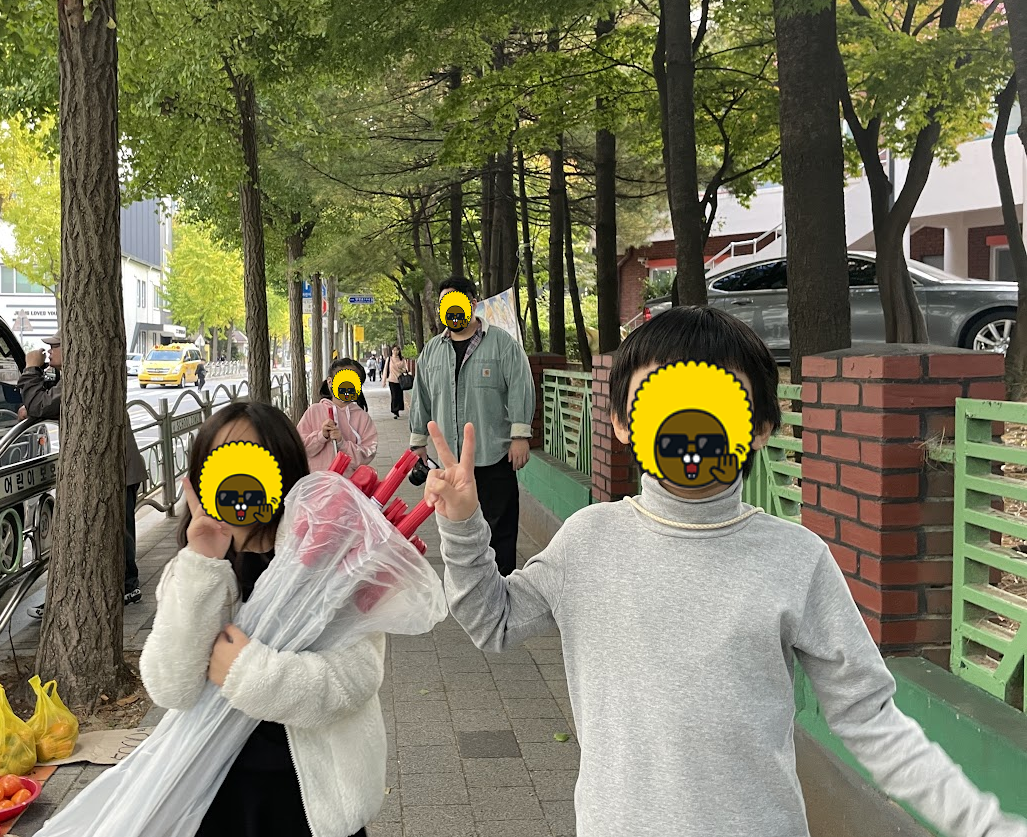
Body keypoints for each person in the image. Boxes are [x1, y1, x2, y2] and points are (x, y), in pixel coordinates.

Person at [425, 305, 1027, 837]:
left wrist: (982, 823)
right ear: (623, 423)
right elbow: (491, 622)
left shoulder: (796, 558)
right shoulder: (589, 540)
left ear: (759, 427)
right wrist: (462, 526)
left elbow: (868, 716)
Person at [139, 402, 385, 837]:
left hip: (311, 797)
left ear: (284, 472)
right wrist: (202, 561)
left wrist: (248, 672)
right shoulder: (193, 570)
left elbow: (357, 676)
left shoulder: (332, 564)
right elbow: (170, 687)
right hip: (213, 789)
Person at [408, 277, 534, 576]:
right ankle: (467, 584)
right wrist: (418, 442)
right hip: (450, 463)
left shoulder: (502, 344)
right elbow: (421, 396)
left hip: (493, 456)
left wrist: (520, 436)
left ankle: (503, 587)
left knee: (499, 530)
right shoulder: (432, 351)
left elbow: (521, 386)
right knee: (456, 529)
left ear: (473, 303)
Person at [18, 333, 149, 614]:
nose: (48, 351)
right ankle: (123, 585)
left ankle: (127, 585)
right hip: (116, 466)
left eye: (55, 346)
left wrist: (31, 368)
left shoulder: (80, 377)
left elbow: (41, 404)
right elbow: (48, 404)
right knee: (115, 529)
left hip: (114, 468)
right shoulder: (80, 375)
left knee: (116, 530)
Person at [296, 358, 378, 472]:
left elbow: (367, 455)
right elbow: (298, 449)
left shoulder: (362, 418)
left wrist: (342, 444)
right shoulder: (314, 411)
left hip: (348, 481)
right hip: (317, 480)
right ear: (330, 382)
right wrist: (321, 436)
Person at [385, 345, 408, 420]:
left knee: (399, 396)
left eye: (397, 350)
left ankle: (398, 409)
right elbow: (385, 370)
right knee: (394, 396)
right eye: (394, 350)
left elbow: (406, 369)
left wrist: (401, 369)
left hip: (400, 380)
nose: (395, 352)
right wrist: (384, 380)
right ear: (392, 351)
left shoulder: (402, 359)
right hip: (392, 380)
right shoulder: (389, 359)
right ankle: (395, 411)